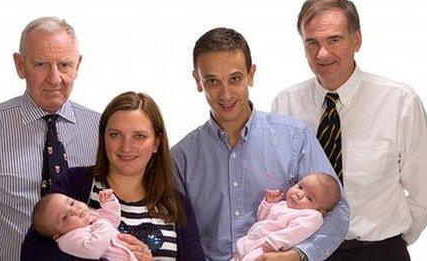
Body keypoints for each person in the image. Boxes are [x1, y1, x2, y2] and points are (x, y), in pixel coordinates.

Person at [171, 27, 349, 261]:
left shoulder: (295, 138)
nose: (225, 94)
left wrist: (298, 255)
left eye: (235, 79)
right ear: (198, 80)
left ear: (251, 74)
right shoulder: (181, 157)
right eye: (213, 81)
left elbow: (338, 213)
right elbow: (177, 234)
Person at [271, 0, 427, 260]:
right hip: (304, 251)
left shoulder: (400, 102)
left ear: (357, 40)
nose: (322, 53)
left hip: (377, 250)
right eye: (312, 42)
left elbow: (423, 190)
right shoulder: (285, 104)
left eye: (334, 40)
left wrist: (392, 240)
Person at [0, 17, 100, 260]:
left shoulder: (102, 129)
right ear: (20, 65)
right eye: (41, 64)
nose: (55, 78)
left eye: (65, 65)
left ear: (78, 65)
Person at [21, 91, 204, 261]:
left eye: (139, 136)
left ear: (157, 142)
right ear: (103, 138)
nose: (126, 147)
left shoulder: (177, 205)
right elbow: (32, 253)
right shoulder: (75, 183)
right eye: (116, 135)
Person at [233, 172, 341, 261]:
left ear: (321, 211)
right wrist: (268, 204)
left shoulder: (312, 216)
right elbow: (262, 219)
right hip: (251, 243)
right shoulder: (283, 205)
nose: (299, 194)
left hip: (269, 249)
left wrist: (276, 241)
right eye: (300, 187)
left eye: (309, 198)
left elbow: (296, 231)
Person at [31, 189, 136, 260]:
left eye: (71, 203)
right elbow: (94, 250)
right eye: (65, 217)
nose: (74, 210)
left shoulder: (89, 217)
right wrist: (102, 224)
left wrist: (109, 203)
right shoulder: (69, 240)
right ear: (58, 235)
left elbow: (112, 221)